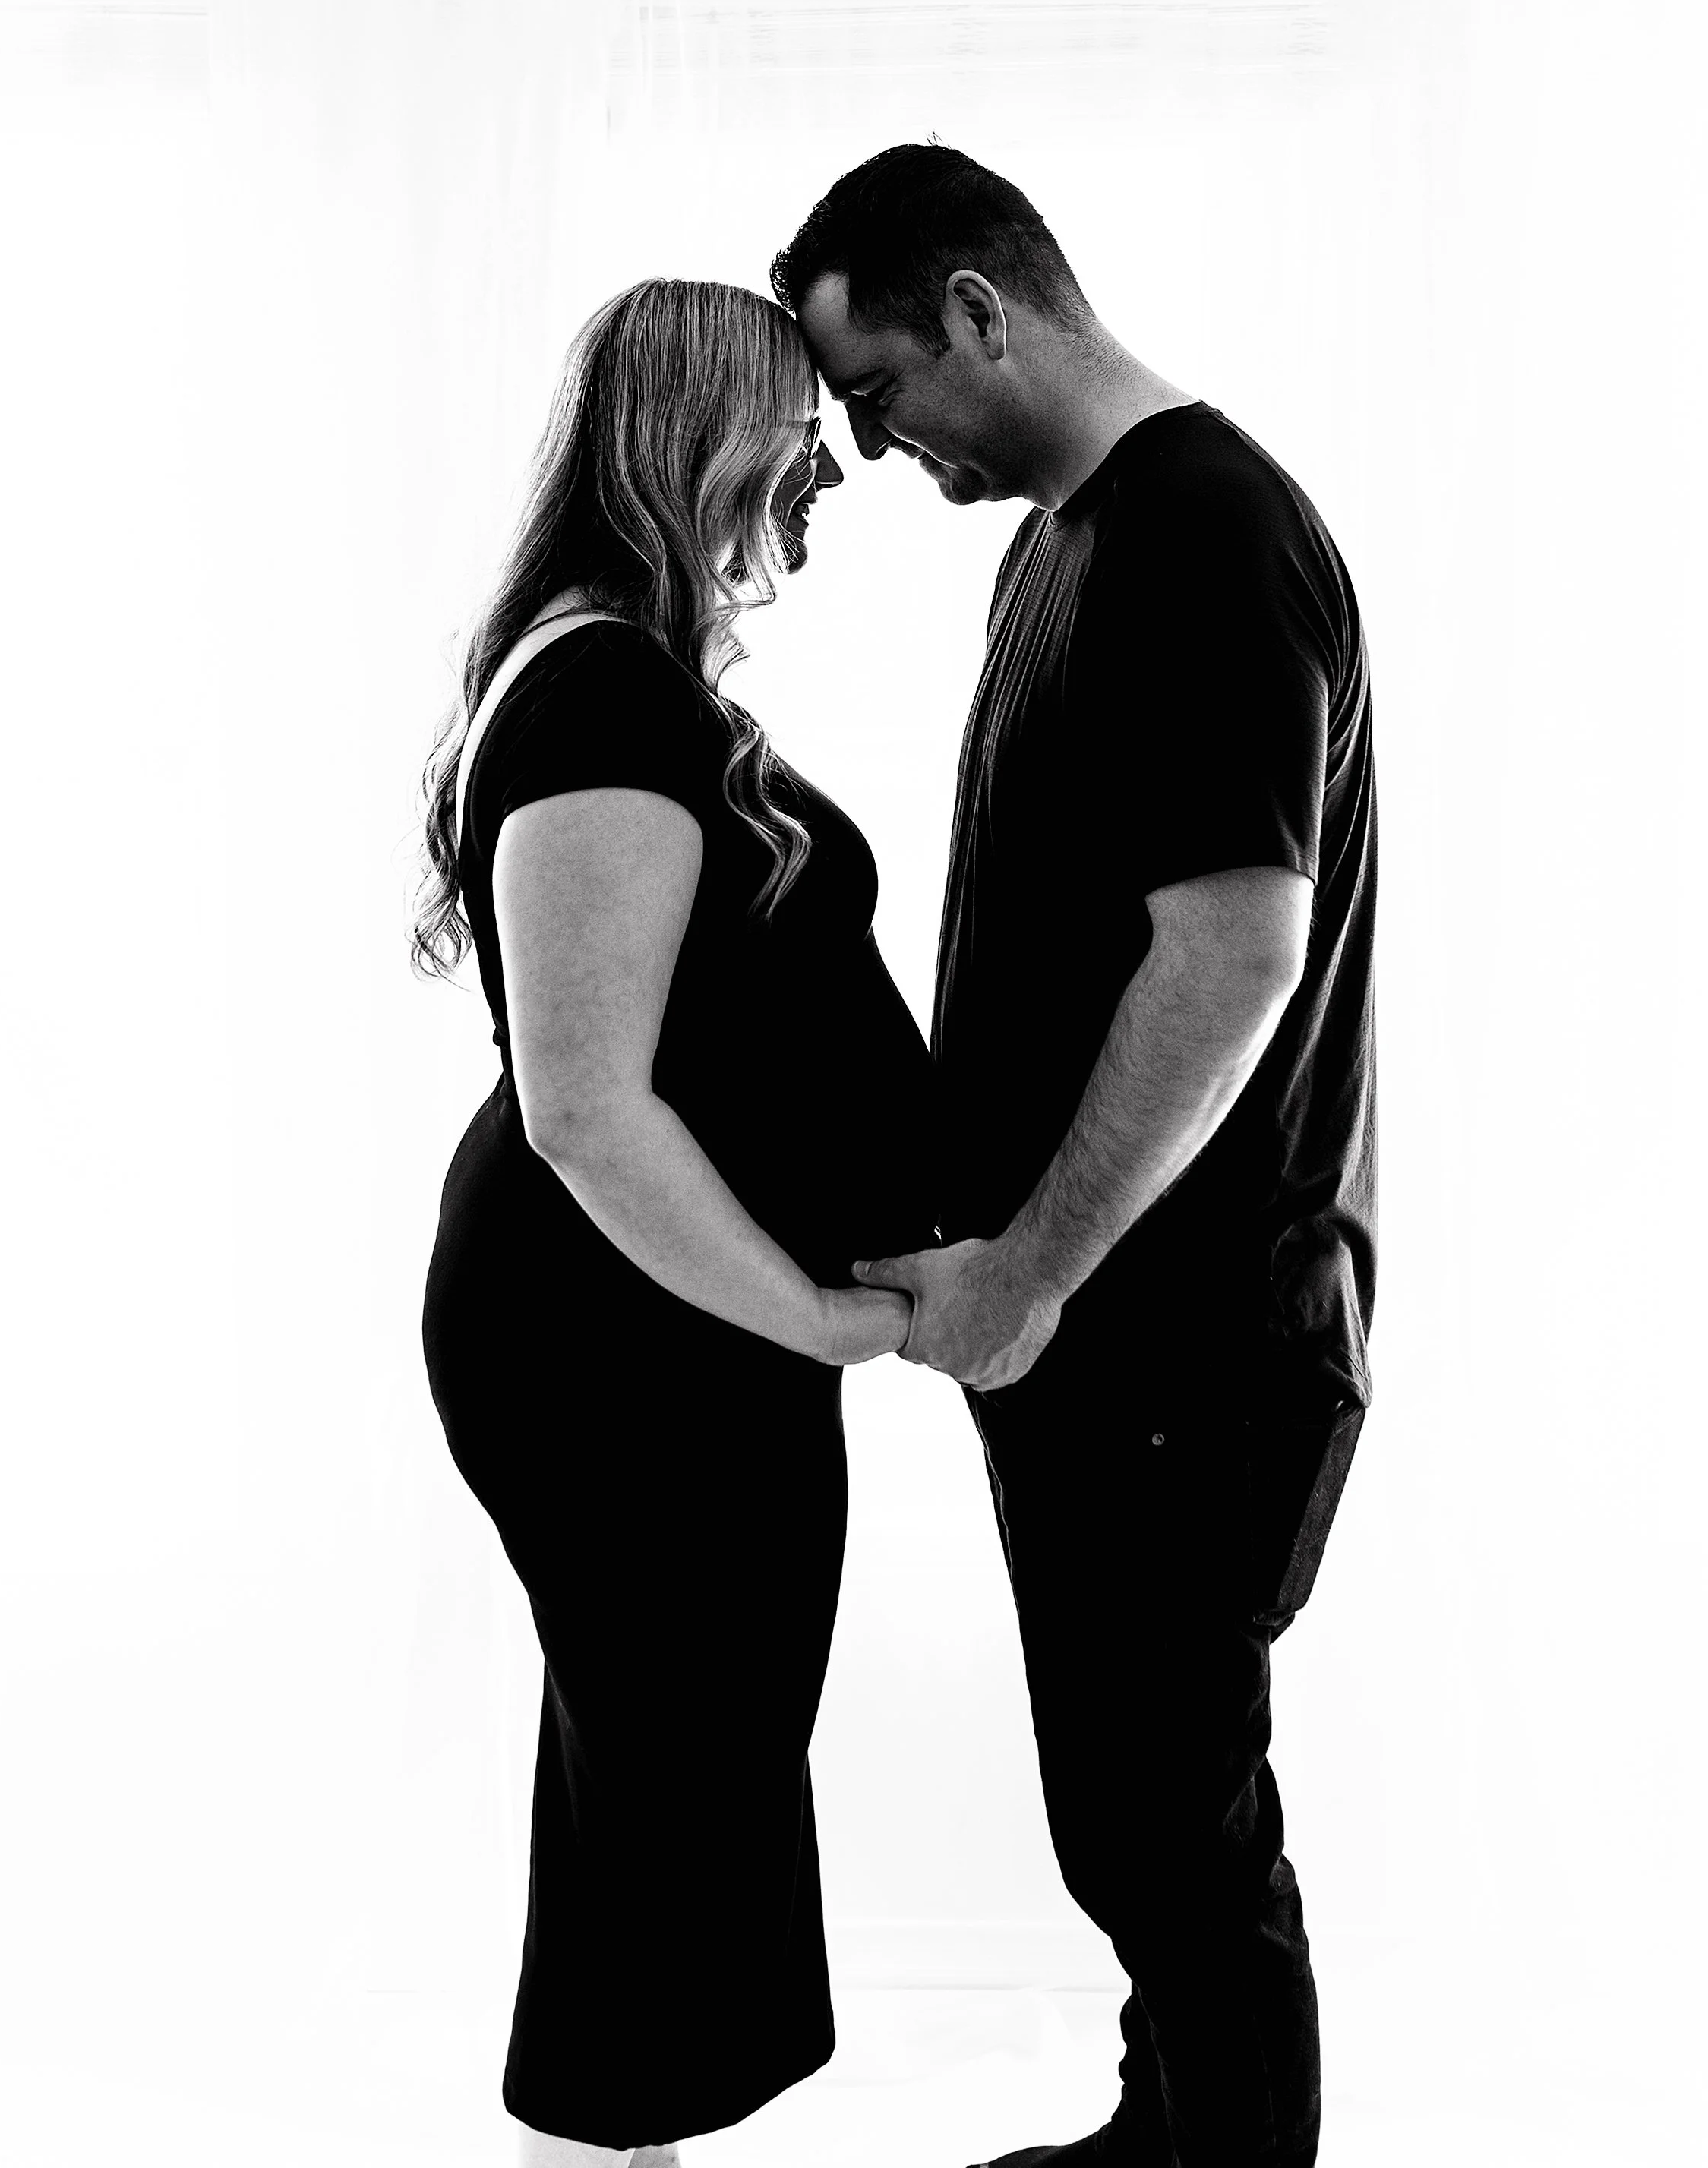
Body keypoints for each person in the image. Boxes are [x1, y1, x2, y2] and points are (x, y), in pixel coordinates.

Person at [772, 145, 1377, 2168]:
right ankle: (1162, 2137)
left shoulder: (1205, 526)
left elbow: (1234, 951)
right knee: (1132, 1812)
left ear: (977, 306)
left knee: (1186, 1829)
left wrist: (1030, 1265)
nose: (866, 448)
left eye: (877, 393)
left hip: (1185, 1333)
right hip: (1098, 1331)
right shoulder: (1071, 542)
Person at [412, 278, 936, 2168]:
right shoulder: (601, 699)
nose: (828, 475)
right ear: (697, 440)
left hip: (652, 1320)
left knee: (670, 1762)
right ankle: (617, 2144)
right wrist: (811, 1318)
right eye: (799, 438)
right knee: (680, 1767)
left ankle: (624, 2144)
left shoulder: (622, 674)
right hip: (614, 1335)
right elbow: (588, 1110)